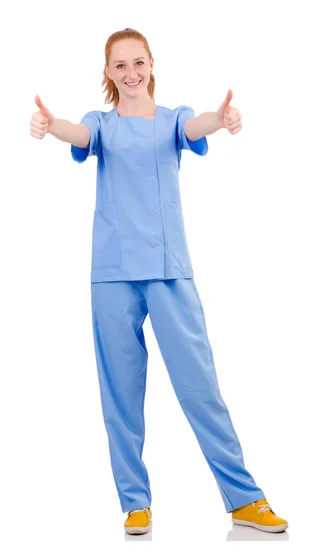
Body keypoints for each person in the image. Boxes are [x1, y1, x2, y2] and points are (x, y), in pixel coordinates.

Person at [29, 28, 287, 536]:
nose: (131, 73)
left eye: (138, 63)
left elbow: (198, 127)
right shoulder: (99, 124)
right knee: (120, 393)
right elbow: (78, 137)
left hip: (169, 271)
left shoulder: (172, 120)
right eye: (120, 66)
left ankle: (244, 498)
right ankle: (135, 503)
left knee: (200, 387)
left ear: (152, 65)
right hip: (114, 273)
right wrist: (51, 123)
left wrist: (224, 118)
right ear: (108, 73)